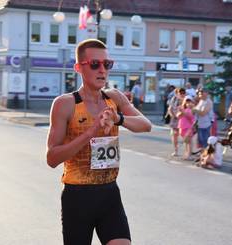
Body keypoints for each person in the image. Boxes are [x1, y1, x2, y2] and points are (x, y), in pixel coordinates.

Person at [46, 39, 152, 245]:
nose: (102, 70)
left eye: (107, 64)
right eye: (95, 64)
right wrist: (89, 133)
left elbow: (146, 125)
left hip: (109, 192)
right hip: (77, 196)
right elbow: (52, 158)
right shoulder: (65, 104)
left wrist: (118, 119)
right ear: (78, 67)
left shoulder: (115, 98)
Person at [168, 87, 186, 156]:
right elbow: (170, 109)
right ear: (177, 93)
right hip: (175, 119)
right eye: (180, 93)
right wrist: (173, 115)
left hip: (183, 120)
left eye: (183, 93)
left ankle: (187, 151)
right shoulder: (174, 99)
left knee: (184, 136)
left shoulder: (186, 99)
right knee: (174, 135)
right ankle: (176, 150)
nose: (182, 94)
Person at [177, 96, 196, 160]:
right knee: (186, 142)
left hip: (189, 127)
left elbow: (190, 117)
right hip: (182, 127)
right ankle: (186, 154)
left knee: (189, 142)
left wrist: (183, 112)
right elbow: (178, 116)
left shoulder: (192, 109)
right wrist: (180, 112)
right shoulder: (183, 109)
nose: (188, 103)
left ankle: (189, 155)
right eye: (187, 102)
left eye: (190, 102)